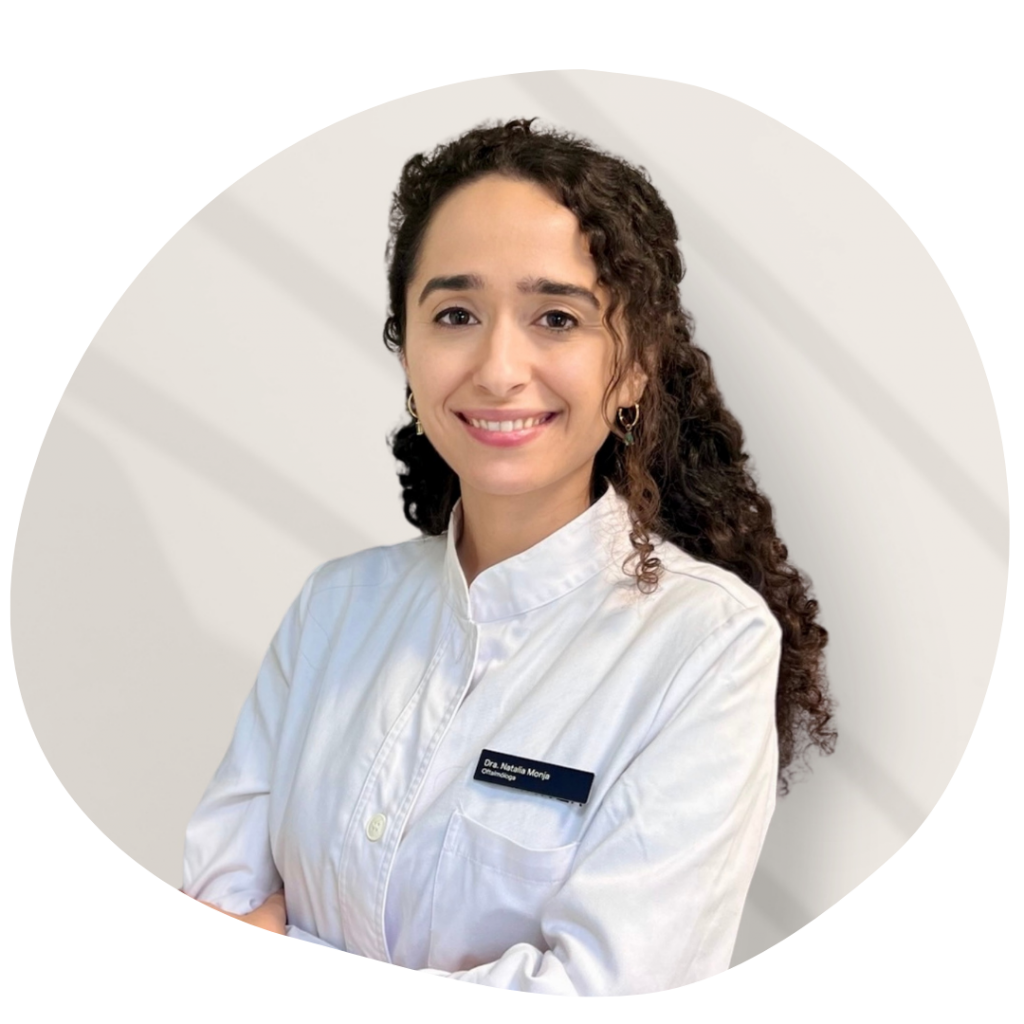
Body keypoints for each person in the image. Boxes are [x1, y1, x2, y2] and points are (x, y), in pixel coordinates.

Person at [181, 119, 835, 993]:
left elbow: (606, 984)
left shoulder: (707, 645)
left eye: (556, 318)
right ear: (408, 350)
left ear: (635, 367)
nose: (497, 368)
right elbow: (219, 890)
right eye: (455, 315)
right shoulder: (333, 608)